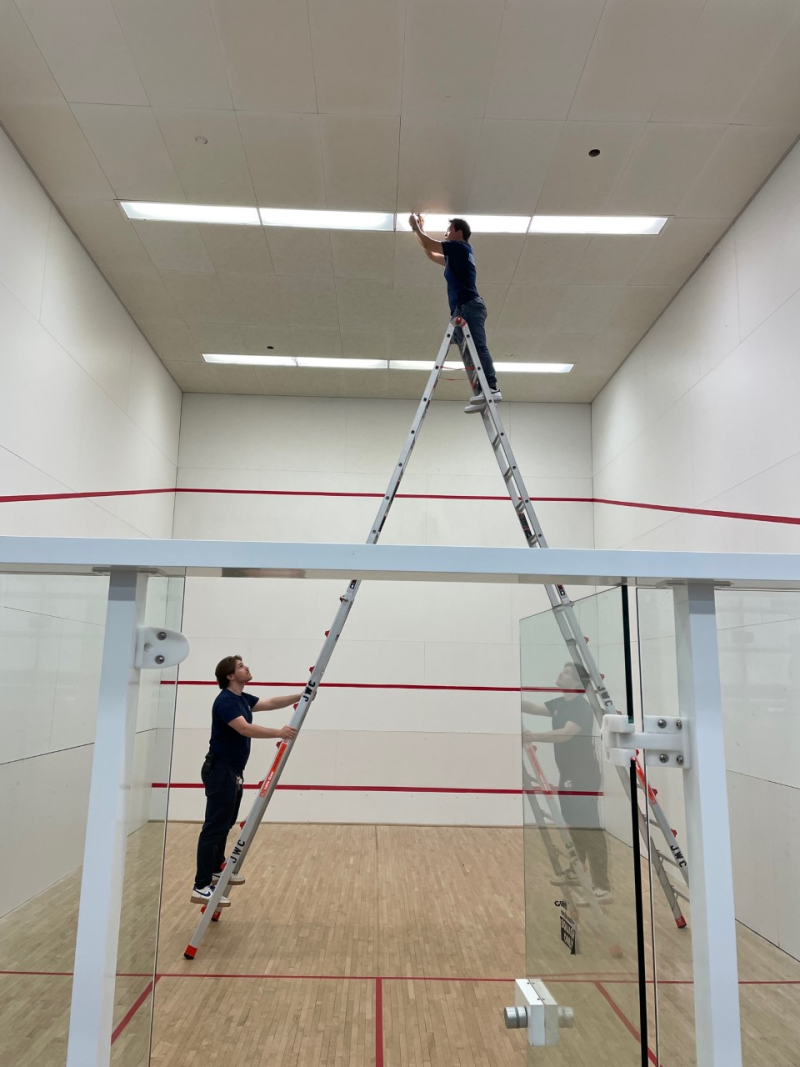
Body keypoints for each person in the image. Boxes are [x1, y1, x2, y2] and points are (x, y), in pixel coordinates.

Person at [191, 656, 302, 906]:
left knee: (226, 823)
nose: (247, 667)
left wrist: (301, 695)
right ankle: (200, 885)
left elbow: (271, 702)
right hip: (220, 771)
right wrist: (279, 732)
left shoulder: (242, 699)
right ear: (230, 675)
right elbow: (244, 729)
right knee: (214, 828)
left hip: (232, 772)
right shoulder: (225, 702)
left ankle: (218, 867)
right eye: (241, 666)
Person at [522, 662, 611, 901]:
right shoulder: (560, 704)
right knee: (573, 822)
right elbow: (531, 706)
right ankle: (576, 871)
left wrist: (535, 736)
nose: (560, 673)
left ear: (575, 683)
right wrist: (506, 696)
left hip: (585, 774)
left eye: (566, 672)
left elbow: (566, 733)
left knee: (589, 825)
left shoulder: (581, 707)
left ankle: (602, 886)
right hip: (569, 774)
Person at [408, 213, 502, 414]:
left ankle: (492, 388)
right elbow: (430, 252)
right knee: (467, 351)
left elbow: (430, 244)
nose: (445, 233)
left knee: (477, 346)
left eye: (448, 230)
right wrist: (419, 230)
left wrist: (416, 228)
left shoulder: (460, 248)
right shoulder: (456, 255)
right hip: (462, 308)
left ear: (459, 233)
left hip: (470, 305)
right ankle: (481, 392)